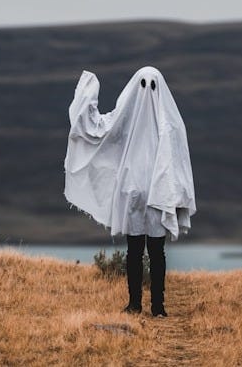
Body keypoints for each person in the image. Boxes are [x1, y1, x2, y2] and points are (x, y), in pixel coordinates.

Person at [64, 66, 197, 317]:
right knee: (139, 251)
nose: (148, 91)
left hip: (153, 195)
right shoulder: (136, 119)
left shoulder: (168, 125)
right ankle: (139, 304)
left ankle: (155, 306)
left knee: (151, 252)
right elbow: (97, 129)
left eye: (152, 85)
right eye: (144, 85)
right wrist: (88, 97)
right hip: (138, 194)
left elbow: (178, 160)